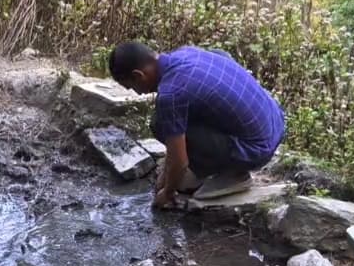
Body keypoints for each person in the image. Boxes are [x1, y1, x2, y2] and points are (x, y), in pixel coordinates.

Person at [107, 41, 286, 209]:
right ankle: (213, 166)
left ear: (138, 75)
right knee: (172, 122)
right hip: (274, 123)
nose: (137, 93)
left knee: (161, 124)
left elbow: (180, 161)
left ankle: (234, 176)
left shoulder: (171, 93)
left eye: (131, 87)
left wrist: (167, 193)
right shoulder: (186, 53)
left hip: (257, 150)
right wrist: (165, 175)